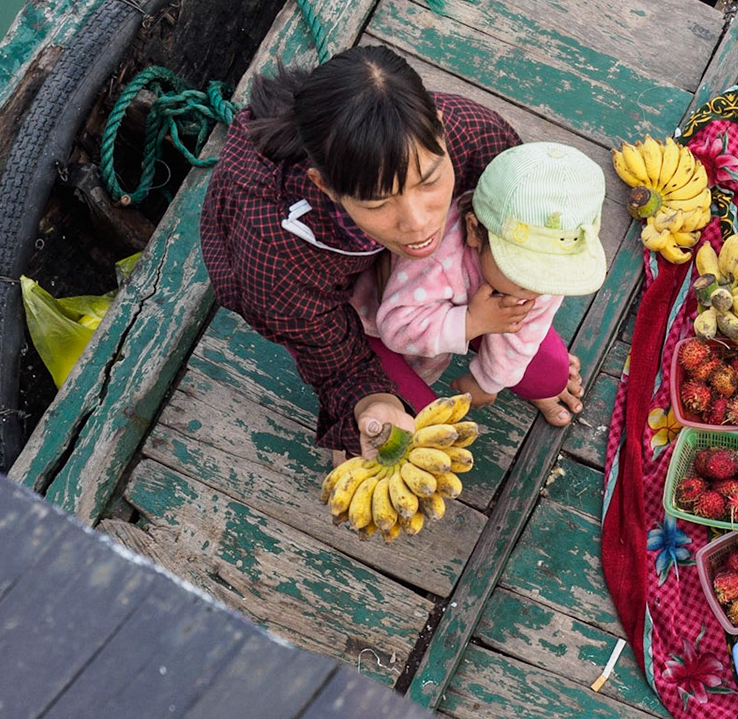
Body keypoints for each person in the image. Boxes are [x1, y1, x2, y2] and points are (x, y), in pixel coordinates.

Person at [199, 45, 581, 456]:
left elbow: (522, 238)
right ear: (325, 185)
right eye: (379, 203)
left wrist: (496, 367)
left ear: (439, 127)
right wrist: (375, 406)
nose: (418, 222)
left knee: (547, 372)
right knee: (412, 436)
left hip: (440, 281)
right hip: (335, 300)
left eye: (430, 182)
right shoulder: (272, 255)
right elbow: (340, 367)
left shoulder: (477, 134)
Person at [351, 142, 605, 430]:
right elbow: (396, 329)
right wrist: (471, 322)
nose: (536, 290)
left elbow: (528, 328)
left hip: (475, 314)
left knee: (550, 375)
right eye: (522, 271)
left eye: (549, 275)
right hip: (380, 326)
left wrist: (488, 380)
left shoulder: (546, 273)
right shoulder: (437, 258)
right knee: (411, 424)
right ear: (473, 230)